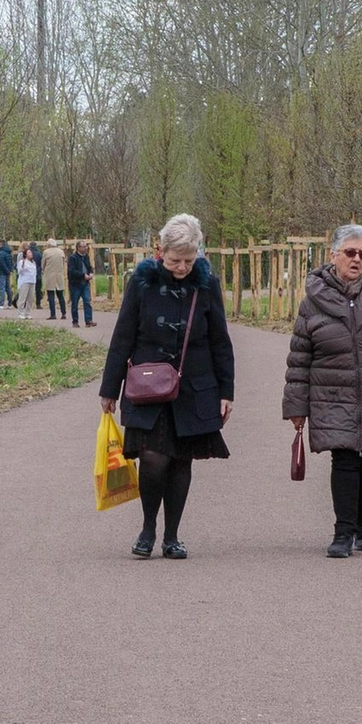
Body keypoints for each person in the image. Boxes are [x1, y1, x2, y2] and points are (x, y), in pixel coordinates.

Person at [99, 214, 235, 560]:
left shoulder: (207, 283)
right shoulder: (141, 282)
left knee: (181, 461)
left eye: (189, 260)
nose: (182, 267)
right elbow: (123, 335)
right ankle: (148, 527)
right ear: (160, 251)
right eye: (176, 260)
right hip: (148, 385)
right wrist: (109, 389)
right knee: (153, 457)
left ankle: (172, 536)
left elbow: (221, 340)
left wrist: (226, 391)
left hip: (195, 386)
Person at [283, 224, 362, 558]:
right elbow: (299, 357)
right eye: (350, 253)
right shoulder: (312, 301)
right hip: (332, 392)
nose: (357, 260)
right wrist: (296, 407)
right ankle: (342, 533)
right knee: (343, 457)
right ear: (333, 255)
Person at [68, 240, 95, 327]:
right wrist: (83, 275)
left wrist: (90, 273)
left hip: (85, 283)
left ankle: (88, 320)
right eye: (83, 246)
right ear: (78, 248)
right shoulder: (73, 258)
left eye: (86, 246)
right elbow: (71, 271)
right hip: (75, 284)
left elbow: (89, 267)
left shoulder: (86, 257)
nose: (85, 248)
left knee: (87, 301)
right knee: (75, 303)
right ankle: (75, 321)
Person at [42, 239, 67, 320]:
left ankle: (53, 314)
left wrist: (44, 270)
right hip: (59, 275)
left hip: (50, 276)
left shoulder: (46, 252)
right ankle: (63, 313)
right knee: (60, 295)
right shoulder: (61, 252)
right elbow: (63, 262)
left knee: (51, 295)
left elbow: (43, 264)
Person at [15, 246, 38, 319]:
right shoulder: (22, 262)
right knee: (23, 298)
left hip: (32, 281)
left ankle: (27, 313)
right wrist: (22, 266)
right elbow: (19, 271)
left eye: (31, 252)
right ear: (25, 254)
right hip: (25, 281)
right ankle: (20, 313)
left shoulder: (33, 262)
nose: (31, 253)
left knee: (30, 299)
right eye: (29, 252)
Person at [0, 241, 15, 309]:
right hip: (7, 273)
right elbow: (11, 263)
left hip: (2, 273)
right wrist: (10, 271)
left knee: (2, 288)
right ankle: (10, 303)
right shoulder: (8, 253)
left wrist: (6, 271)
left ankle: (1, 303)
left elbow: (2, 263)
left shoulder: (1, 254)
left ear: (2, 245)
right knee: (8, 288)